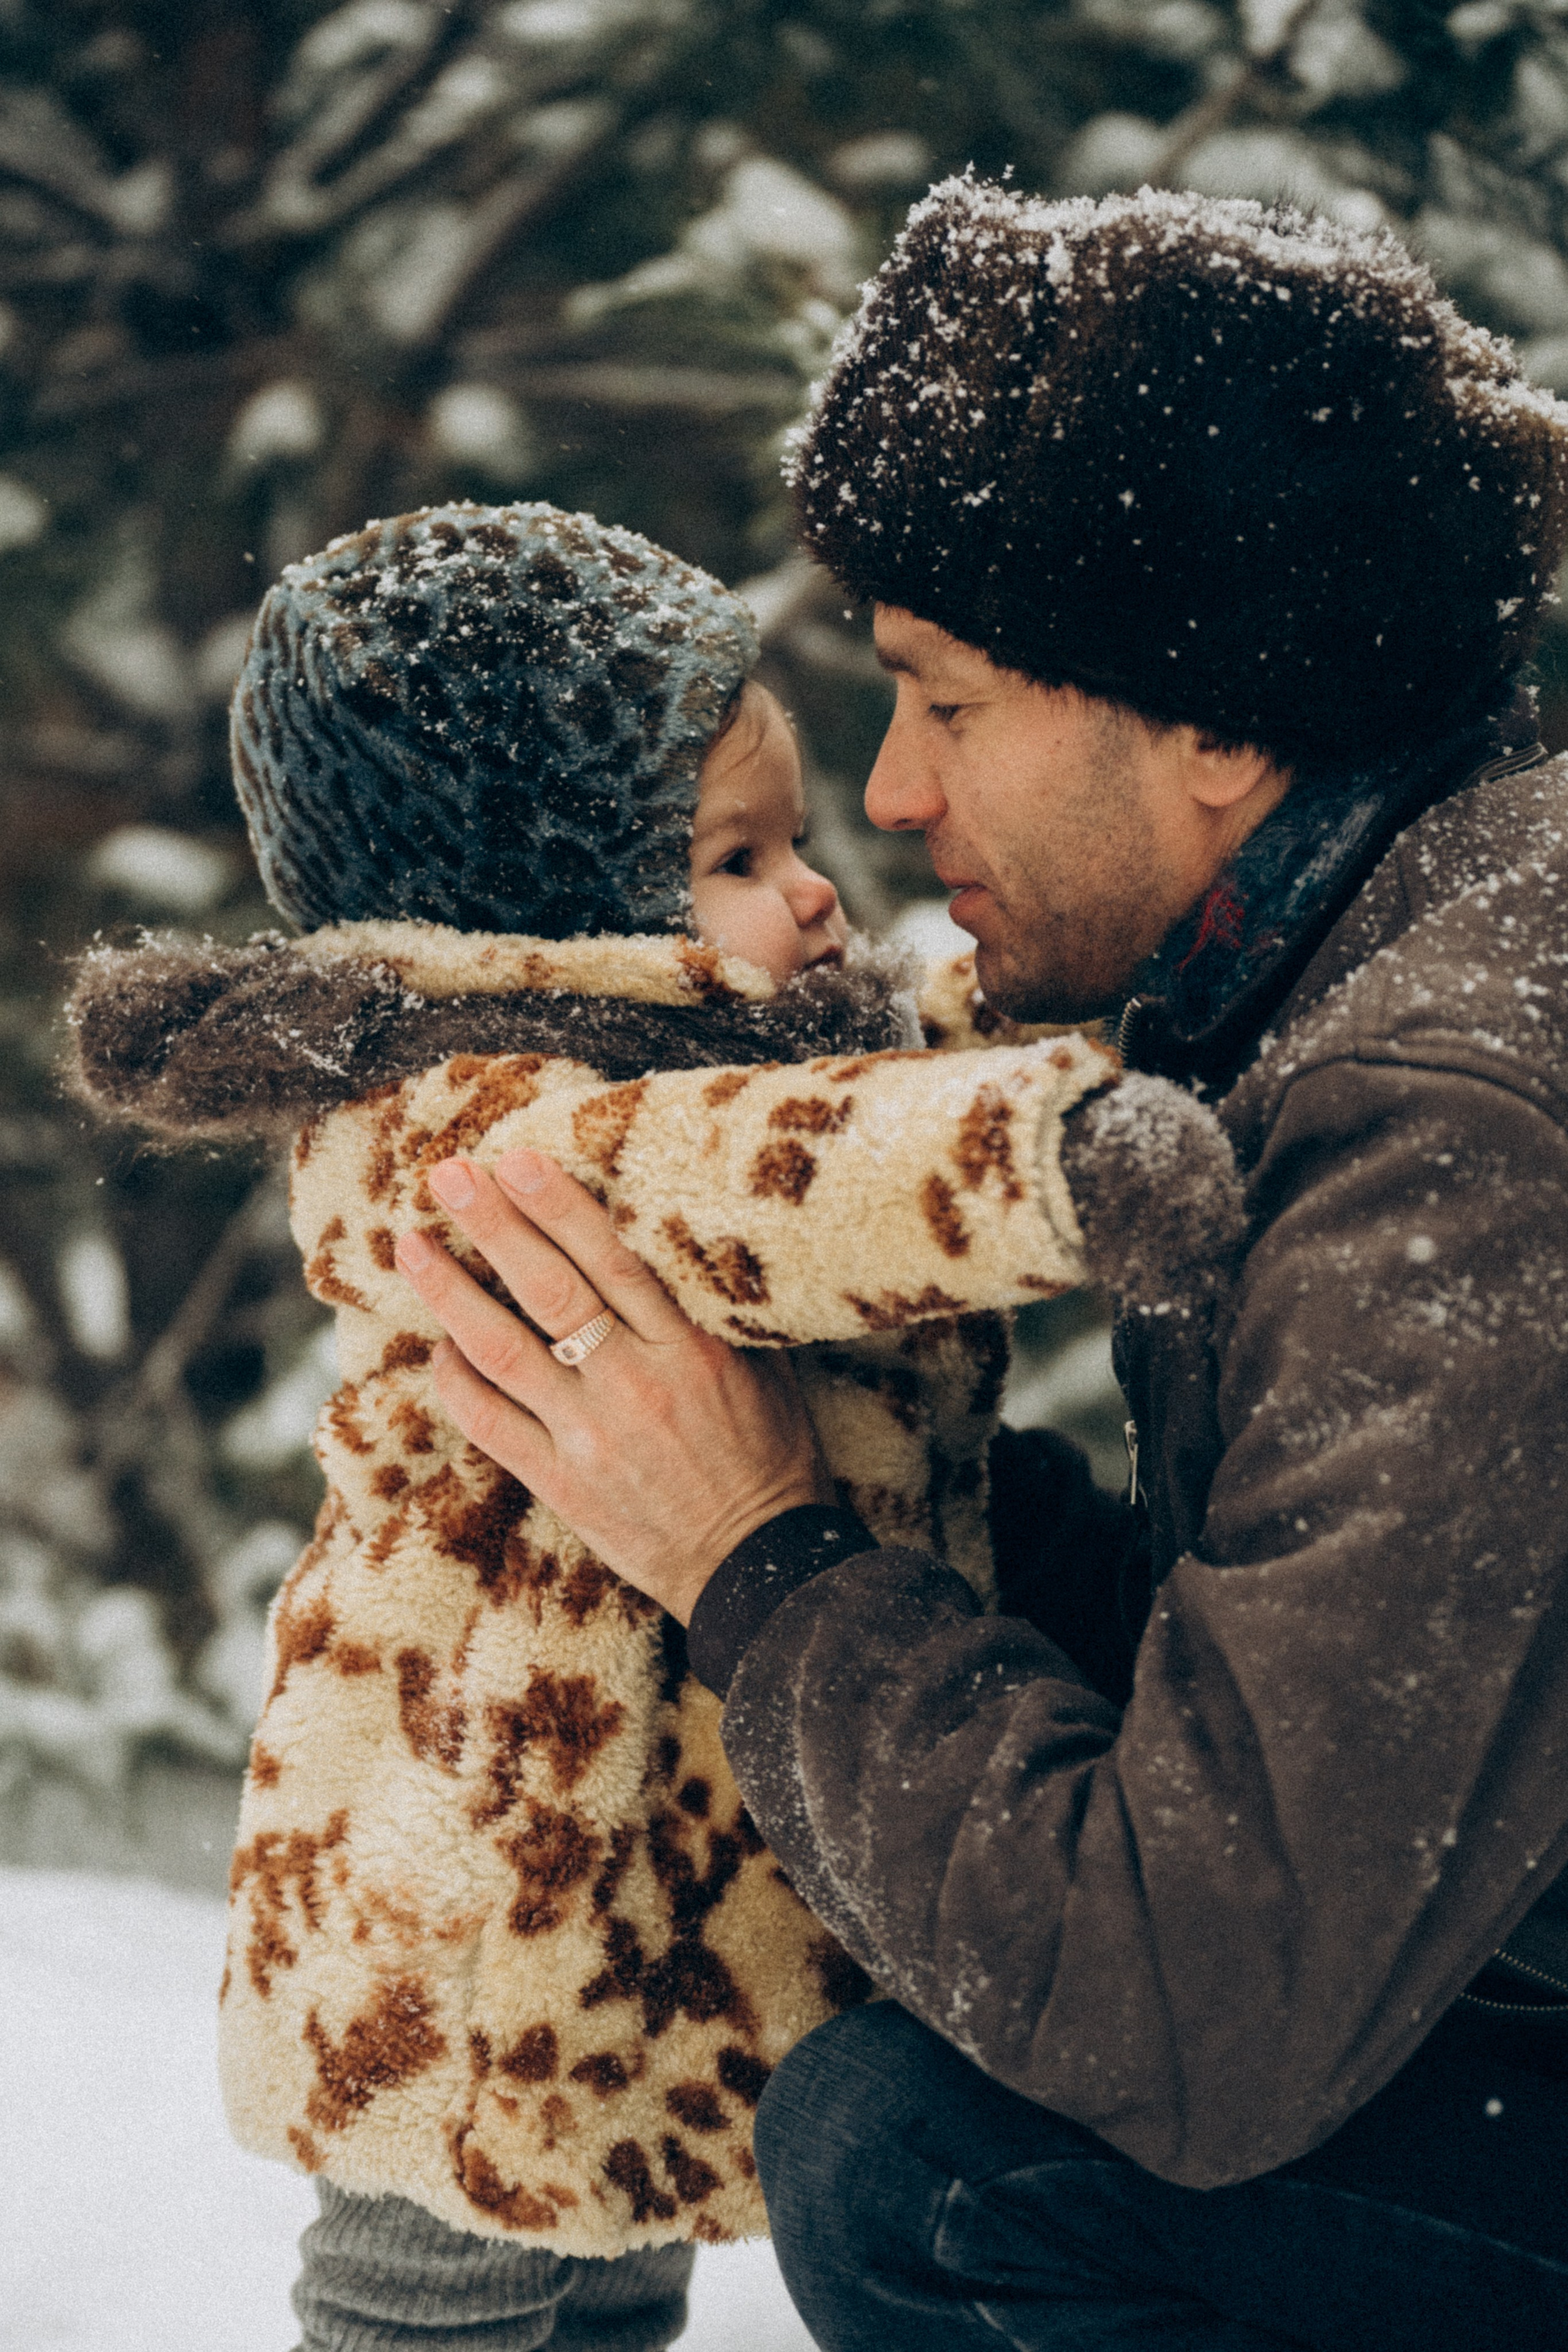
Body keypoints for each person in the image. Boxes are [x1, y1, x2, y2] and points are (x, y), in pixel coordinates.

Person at [381, 185, 1568, 2347]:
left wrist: (754, 1551)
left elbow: (1191, 2011)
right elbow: (1355, 1691)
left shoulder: (1449, 1132)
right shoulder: (1384, 947)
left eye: (941, 697)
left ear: (1215, 717)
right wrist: (850, 1471)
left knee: (937, 2163)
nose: (898, 796)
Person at [68, 496, 1108, 2351]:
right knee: (438, 2297)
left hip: (621, 1893)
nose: (811, 893)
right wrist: (1059, 1149)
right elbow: (766, 1184)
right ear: (542, 906)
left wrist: (1087, 1014)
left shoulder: (720, 1054)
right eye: (734, 854)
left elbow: (871, 1079)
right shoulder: (482, 1123)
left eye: (790, 843)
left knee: (605, 2283)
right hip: (466, 1875)